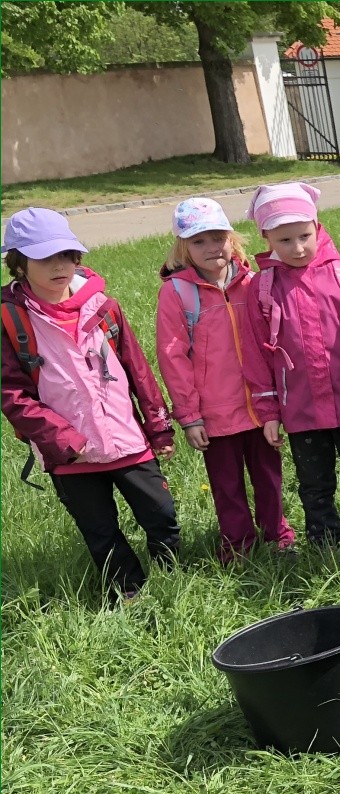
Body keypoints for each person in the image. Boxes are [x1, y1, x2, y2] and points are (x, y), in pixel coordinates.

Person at [0, 207, 178, 598]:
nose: (58, 266)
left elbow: (137, 370)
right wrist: (62, 439)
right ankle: (128, 592)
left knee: (161, 514)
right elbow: (11, 394)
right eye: (44, 258)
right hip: (70, 454)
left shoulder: (104, 306)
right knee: (100, 531)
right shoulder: (10, 319)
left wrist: (159, 426)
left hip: (126, 440)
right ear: (18, 264)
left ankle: (173, 576)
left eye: (66, 255)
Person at [247, 182, 340, 549]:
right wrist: (268, 411)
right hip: (301, 409)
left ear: (317, 227)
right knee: (314, 484)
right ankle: (324, 547)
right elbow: (257, 354)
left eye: (304, 236)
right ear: (266, 238)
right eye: (285, 240)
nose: (298, 248)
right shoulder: (262, 287)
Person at [156, 197, 293, 563]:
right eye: (198, 241)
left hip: (260, 405)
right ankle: (238, 546)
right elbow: (172, 358)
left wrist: (279, 399)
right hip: (213, 412)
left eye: (218, 237)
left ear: (232, 239)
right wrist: (189, 416)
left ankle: (278, 536)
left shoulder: (255, 282)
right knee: (226, 484)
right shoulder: (177, 292)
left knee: (269, 476)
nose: (211, 247)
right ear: (183, 247)